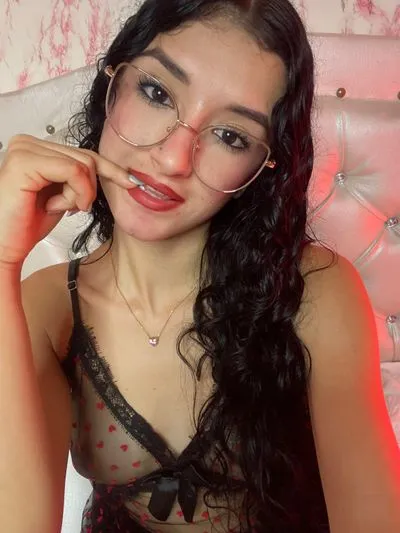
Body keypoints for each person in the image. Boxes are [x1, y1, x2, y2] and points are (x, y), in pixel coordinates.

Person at [1, 0, 399, 531]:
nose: (173, 159)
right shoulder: (48, 308)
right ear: (112, 82)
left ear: (263, 166)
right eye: (157, 93)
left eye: (231, 136)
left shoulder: (316, 291)